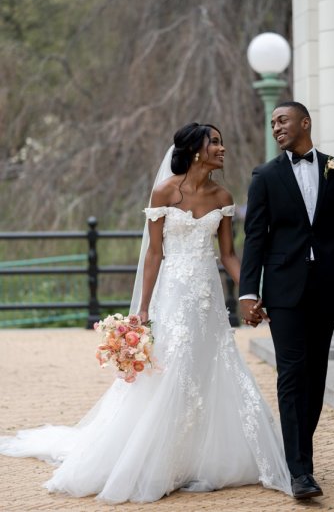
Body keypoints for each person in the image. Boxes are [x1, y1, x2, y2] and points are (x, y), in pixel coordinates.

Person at [0, 122, 292, 504]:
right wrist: (142, 308)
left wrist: (251, 294)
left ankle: (203, 456)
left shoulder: (223, 195)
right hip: (173, 295)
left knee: (212, 365)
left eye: (222, 142)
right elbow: (154, 253)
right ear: (195, 150)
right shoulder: (164, 191)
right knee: (172, 369)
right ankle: (159, 458)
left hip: (208, 297)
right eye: (215, 142)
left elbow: (228, 255)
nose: (223, 148)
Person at [239, 102, 334, 500]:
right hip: (284, 291)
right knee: (291, 375)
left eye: (283, 120)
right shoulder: (266, 176)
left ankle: (296, 455)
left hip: (328, 290)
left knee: (316, 375)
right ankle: (300, 472)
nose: (276, 127)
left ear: (304, 123)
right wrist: (249, 292)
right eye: (273, 123)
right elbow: (255, 236)